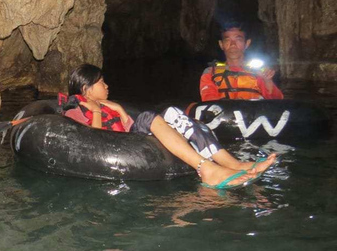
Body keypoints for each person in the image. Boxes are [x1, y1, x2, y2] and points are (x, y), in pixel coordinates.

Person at [60, 64, 277, 190]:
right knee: (147, 116)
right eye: (101, 83)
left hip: (130, 141)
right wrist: (97, 110)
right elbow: (94, 140)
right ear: (87, 89)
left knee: (173, 112)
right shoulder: (75, 110)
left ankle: (231, 162)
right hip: (114, 147)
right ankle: (206, 169)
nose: (107, 86)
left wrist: (119, 110)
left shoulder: (110, 106)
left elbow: (127, 127)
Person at [200, 21, 284, 101]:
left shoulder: (258, 71)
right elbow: (209, 101)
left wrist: (267, 80)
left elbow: (277, 101)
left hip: (253, 114)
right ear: (221, 45)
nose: (233, 45)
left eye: (238, 40)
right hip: (224, 115)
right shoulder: (210, 72)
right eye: (227, 40)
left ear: (246, 44)